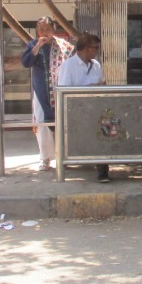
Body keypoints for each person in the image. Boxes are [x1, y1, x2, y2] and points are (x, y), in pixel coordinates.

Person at [56, 32, 110, 183]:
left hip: (95, 108)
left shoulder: (96, 65)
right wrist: (89, 88)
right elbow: (63, 91)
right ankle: (101, 168)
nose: (97, 51)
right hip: (76, 110)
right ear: (87, 48)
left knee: (108, 126)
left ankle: (103, 166)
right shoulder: (69, 66)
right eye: (96, 48)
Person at [20, 17, 73, 171]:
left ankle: (64, 157)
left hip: (60, 92)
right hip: (41, 92)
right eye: (41, 29)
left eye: (47, 29)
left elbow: (72, 62)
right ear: (37, 31)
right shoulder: (32, 45)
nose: (45, 32)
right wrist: (37, 47)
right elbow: (26, 63)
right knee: (42, 124)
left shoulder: (63, 46)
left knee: (63, 124)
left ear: (53, 29)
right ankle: (45, 158)